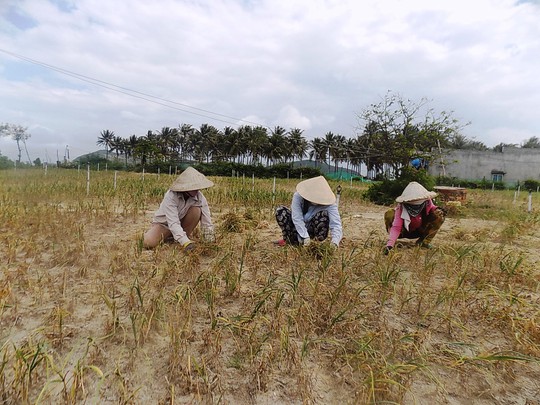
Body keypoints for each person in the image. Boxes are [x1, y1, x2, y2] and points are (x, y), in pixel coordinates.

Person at [143, 167, 215, 250]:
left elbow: (207, 221)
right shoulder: (171, 196)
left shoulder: (200, 197)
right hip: (164, 225)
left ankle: (179, 237)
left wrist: (209, 241)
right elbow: (173, 222)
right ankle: (176, 236)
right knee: (148, 242)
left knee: (196, 210)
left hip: (181, 223)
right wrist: (186, 242)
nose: (197, 190)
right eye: (193, 187)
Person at [275, 176, 343, 247]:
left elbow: (336, 224)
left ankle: (316, 244)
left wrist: (335, 242)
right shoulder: (298, 196)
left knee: (324, 215)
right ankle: (290, 241)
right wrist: (304, 236)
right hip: (296, 229)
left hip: (313, 233)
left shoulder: (330, 203)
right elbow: (297, 218)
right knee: (280, 211)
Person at [384, 181, 445, 254]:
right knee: (390, 213)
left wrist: (439, 210)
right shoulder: (401, 207)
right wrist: (390, 245)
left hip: (420, 230)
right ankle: (393, 240)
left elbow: (432, 208)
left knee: (439, 215)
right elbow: (396, 227)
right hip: (404, 232)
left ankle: (424, 242)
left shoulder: (427, 202)